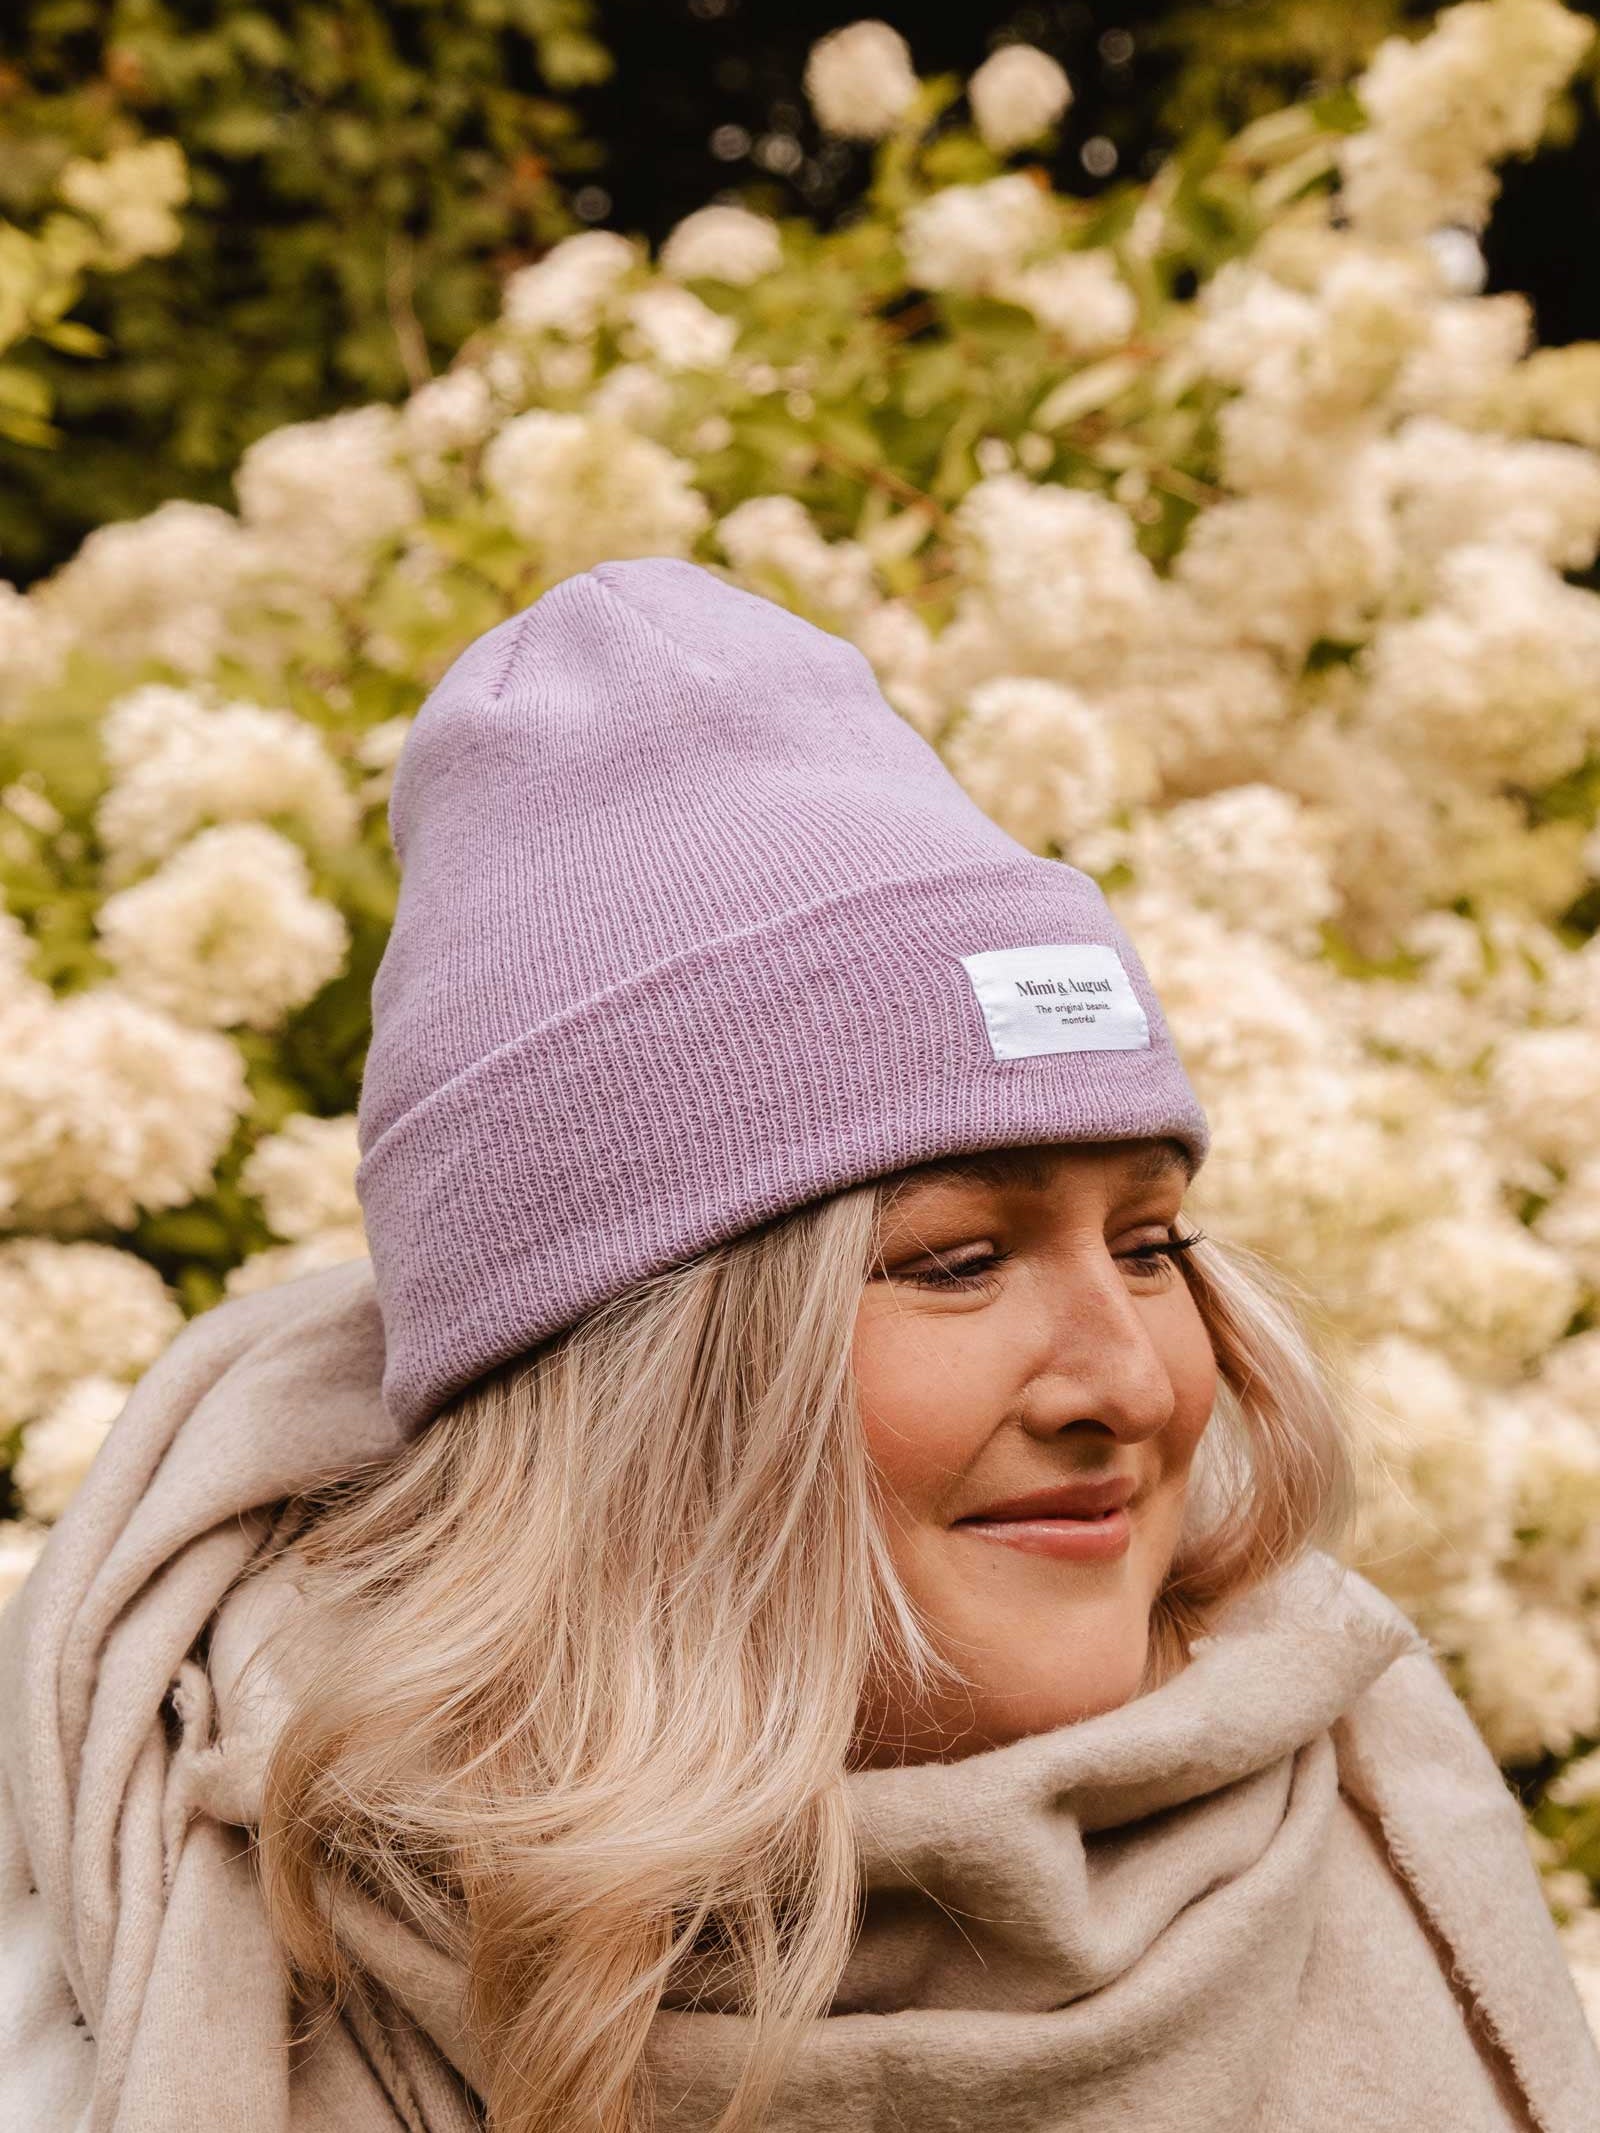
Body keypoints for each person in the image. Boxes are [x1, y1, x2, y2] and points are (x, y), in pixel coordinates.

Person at [2, 558, 1597, 2133]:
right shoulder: (118, 1983)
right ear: (632, 1386)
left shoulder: (1368, 1802)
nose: (1129, 1380)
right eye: (959, 1260)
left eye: (1151, 1241)